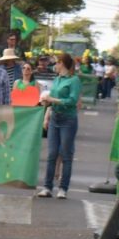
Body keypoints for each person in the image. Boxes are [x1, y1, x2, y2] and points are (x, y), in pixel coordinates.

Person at [37, 53, 82, 199]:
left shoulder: (74, 80)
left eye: (56, 63)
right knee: (51, 154)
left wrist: (52, 99)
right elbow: (54, 99)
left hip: (68, 120)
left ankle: (63, 188)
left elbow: (72, 100)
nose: (54, 65)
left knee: (66, 154)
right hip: (55, 118)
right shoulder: (56, 80)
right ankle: (47, 187)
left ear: (62, 63)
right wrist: (47, 103)